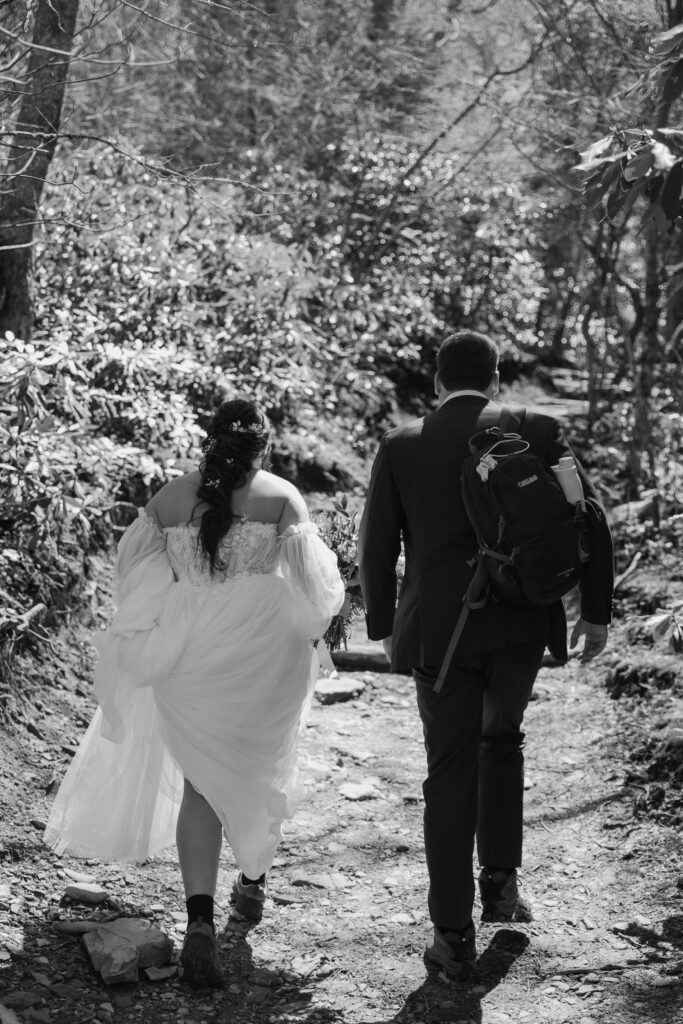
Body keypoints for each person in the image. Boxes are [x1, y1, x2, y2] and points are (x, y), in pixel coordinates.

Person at [45, 397, 345, 987]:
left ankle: (201, 920)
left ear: (210, 440)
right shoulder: (282, 498)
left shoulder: (170, 498)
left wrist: (187, 588)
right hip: (261, 656)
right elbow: (318, 593)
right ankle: (253, 881)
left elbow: (131, 570)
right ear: (264, 446)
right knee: (259, 770)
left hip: (188, 658)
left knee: (199, 784)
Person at [358, 331, 613, 980]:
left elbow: (377, 543)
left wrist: (386, 625)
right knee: (501, 740)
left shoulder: (401, 446)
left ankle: (452, 937)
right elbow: (588, 515)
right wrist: (596, 610)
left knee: (448, 773)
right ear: (494, 378)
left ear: (436, 382)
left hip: (439, 634)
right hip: (522, 623)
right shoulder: (534, 430)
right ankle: (499, 884)